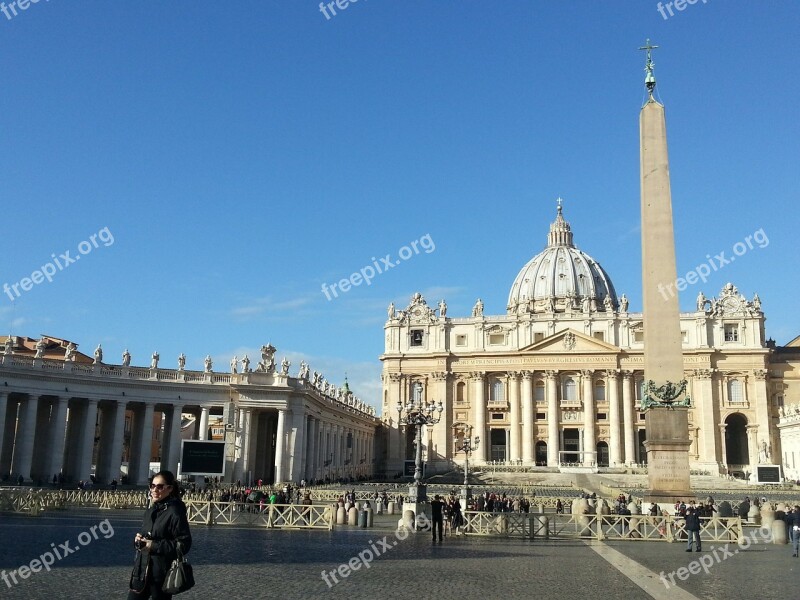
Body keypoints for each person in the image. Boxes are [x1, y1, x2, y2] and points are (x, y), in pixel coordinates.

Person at [129, 470, 192, 599]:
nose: (155, 490)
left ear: (169, 489)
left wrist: (154, 545)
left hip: (161, 575)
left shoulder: (175, 512)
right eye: (152, 486)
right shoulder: (150, 510)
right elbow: (147, 533)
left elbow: (184, 544)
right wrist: (138, 539)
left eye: (160, 487)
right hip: (141, 571)